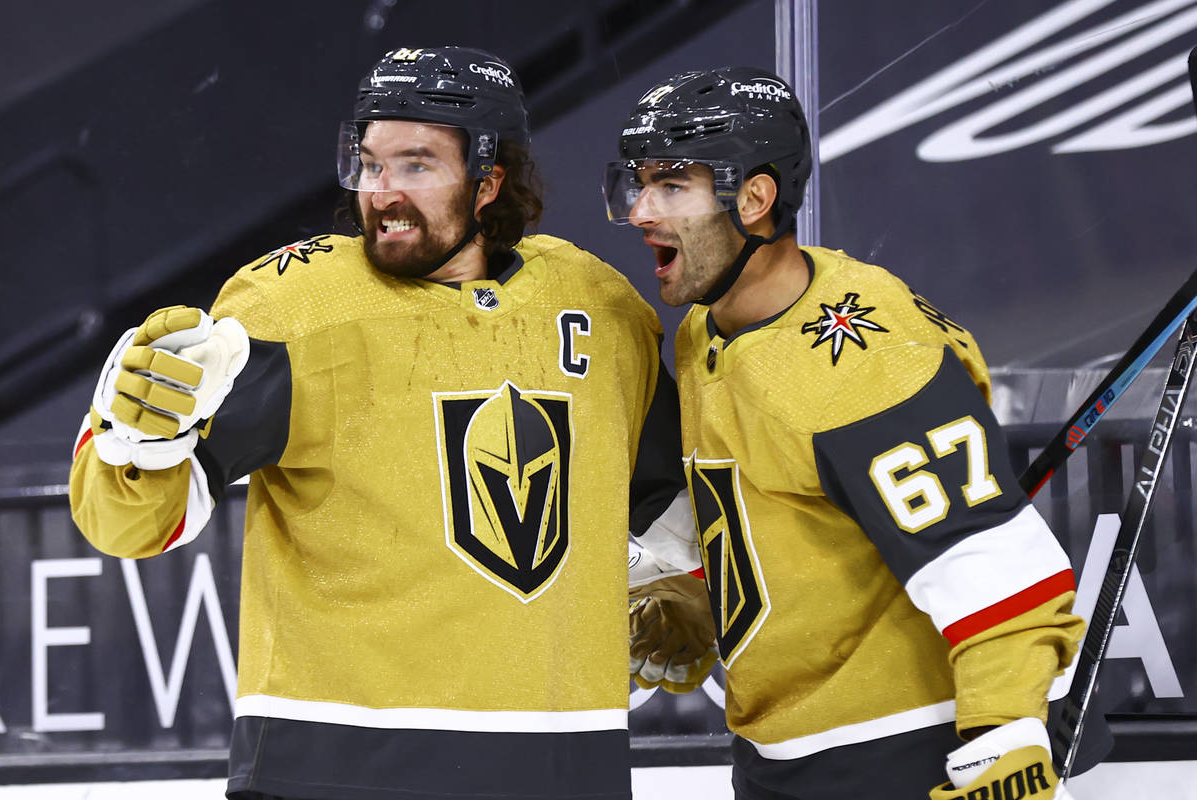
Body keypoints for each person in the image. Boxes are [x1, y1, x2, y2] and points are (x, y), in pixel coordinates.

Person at [69, 46, 703, 800]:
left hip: (559, 768)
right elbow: (131, 525)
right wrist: (134, 438)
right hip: (332, 774)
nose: (382, 192)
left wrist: (689, 588)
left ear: (489, 179)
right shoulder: (295, 310)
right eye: (369, 163)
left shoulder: (596, 307)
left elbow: (668, 501)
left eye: (416, 165)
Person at [604, 66, 1086, 800]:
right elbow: (772, 504)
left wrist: (1005, 737)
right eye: (638, 183)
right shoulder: (709, 326)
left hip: (902, 751)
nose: (640, 210)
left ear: (755, 199)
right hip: (780, 752)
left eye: (671, 186)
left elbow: (993, 564)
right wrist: (696, 588)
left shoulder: (859, 358)